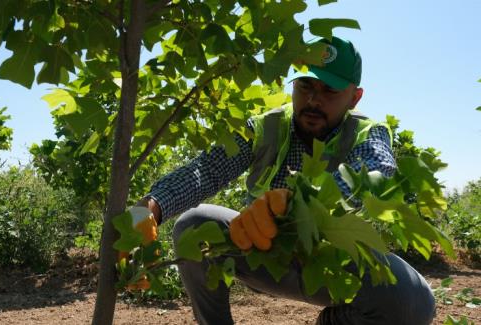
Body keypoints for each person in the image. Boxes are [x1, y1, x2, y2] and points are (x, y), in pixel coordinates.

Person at [137, 37, 436, 325]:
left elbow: (378, 172)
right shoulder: (265, 127)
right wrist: (150, 208)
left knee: (414, 300)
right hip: (262, 255)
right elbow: (207, 170)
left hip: (333, 267)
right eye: (305, 85)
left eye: (329, 90)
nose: (313, 100)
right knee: (194, 223)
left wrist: (301, 205)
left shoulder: (368, 133)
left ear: (354, 97)